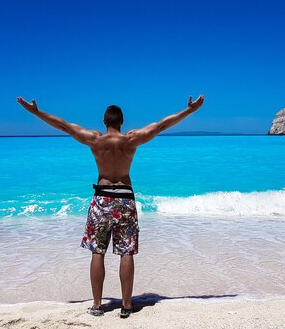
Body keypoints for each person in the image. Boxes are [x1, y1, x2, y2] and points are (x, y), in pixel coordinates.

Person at [16, 95, 205, 318]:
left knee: (98, 252)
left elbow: (64, 125)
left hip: (102, 198)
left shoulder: (95, 140)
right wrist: (189, 111)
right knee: (126, 253)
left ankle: (97, 305)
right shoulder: (131, 140)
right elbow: (162, 125)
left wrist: (35, 112)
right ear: (122, 122)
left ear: (104, 122)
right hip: (125, 198)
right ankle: (126, 305)